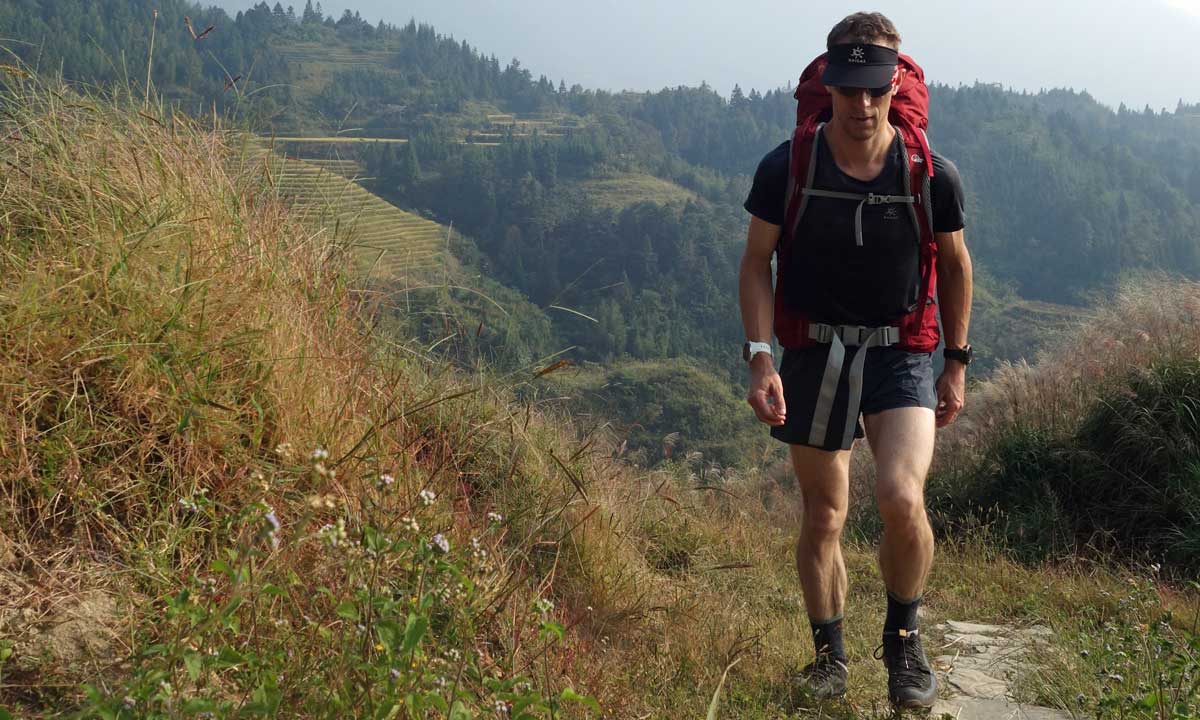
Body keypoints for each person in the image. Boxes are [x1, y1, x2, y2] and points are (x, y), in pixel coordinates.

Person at [737, 11, 973, 707]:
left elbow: (956, 267)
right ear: (829, 84)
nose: (862, 105)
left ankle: (904, 645)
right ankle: (828, 658)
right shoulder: (789, 167)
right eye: (848, 90)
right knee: (824, 516)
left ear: (895, 81)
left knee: (902, 498)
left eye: (875, 89)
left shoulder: (931, 173)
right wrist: (760, 358)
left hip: (902, 350)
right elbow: (756, 263)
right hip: (814, 347)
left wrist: (956, 361)